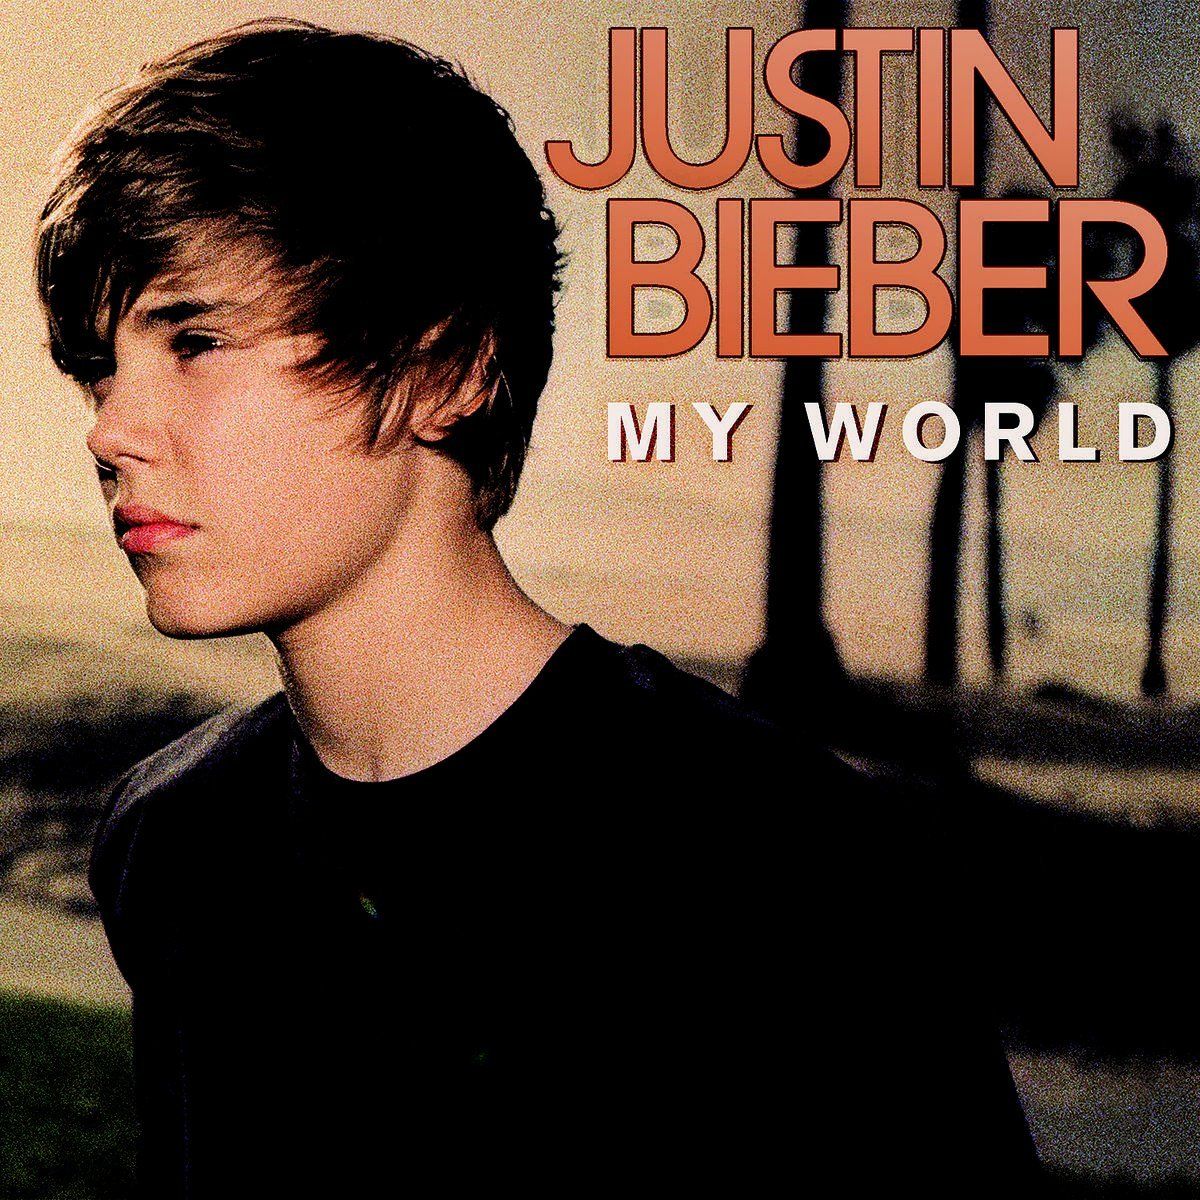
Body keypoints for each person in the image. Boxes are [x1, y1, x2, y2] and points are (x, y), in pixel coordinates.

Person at [37, 18, 1039, 1197]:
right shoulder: (172, 844)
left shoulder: (789, 863)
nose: (111, 430)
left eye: (196, 340)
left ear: (446, 367)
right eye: (100, 369)